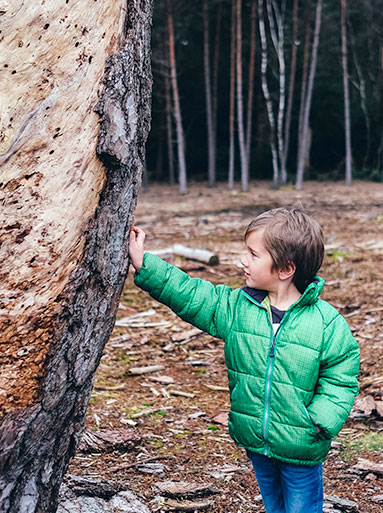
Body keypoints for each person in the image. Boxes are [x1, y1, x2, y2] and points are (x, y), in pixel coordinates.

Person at [128, 207, 360, 513]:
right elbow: (191, 294)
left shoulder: (326, 323)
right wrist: (146, 264)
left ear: (285, 269)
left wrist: (319, 421)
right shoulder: (238, 307)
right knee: (274, 506)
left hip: (301, 443)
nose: (243, 261)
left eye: (253, 254)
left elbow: (342, 376)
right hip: (256, 439)